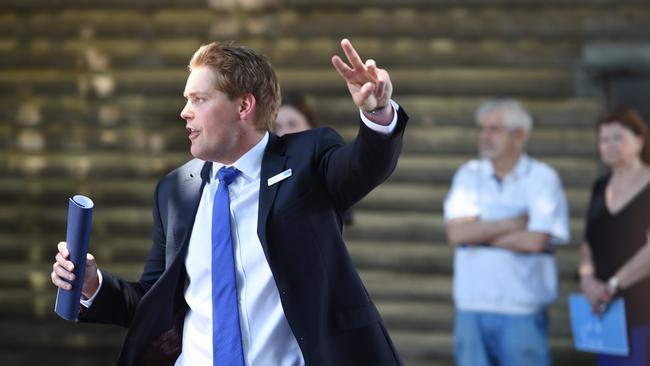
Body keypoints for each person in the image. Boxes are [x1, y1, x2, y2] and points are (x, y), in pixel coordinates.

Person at [51, 38, 408, 366]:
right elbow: (152, 301)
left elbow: (364, 166)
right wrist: (93, 286)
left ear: (244, 106)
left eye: (199, 100)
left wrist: (377, 114)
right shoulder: (175, 190)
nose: (184, 112)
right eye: (186, 100)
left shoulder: (306, 157)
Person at [442, 99, 570, 366]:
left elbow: (535, 241)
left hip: (522, 310)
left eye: (494, 129)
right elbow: (456, 235)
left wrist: (478, 231)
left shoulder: (542, 178)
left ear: (519, 136)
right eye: (483, 129)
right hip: (470, 307)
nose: (485, 137)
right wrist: (511, 224)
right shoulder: (468, 174)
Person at [578, 106, 650, 366]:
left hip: (643, 310)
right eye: (604, 139)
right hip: (607, 313)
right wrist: (588, 281)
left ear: (639, 140)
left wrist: (613, 285)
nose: (610, 145)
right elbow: (588, 242)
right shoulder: (600, 187)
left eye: (618, 138)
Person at [273, 92, 354, 225]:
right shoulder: (272, 164)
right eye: (278, 126)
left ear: (310, 124)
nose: (285, 132)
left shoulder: (327, 160)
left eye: (292, 123)